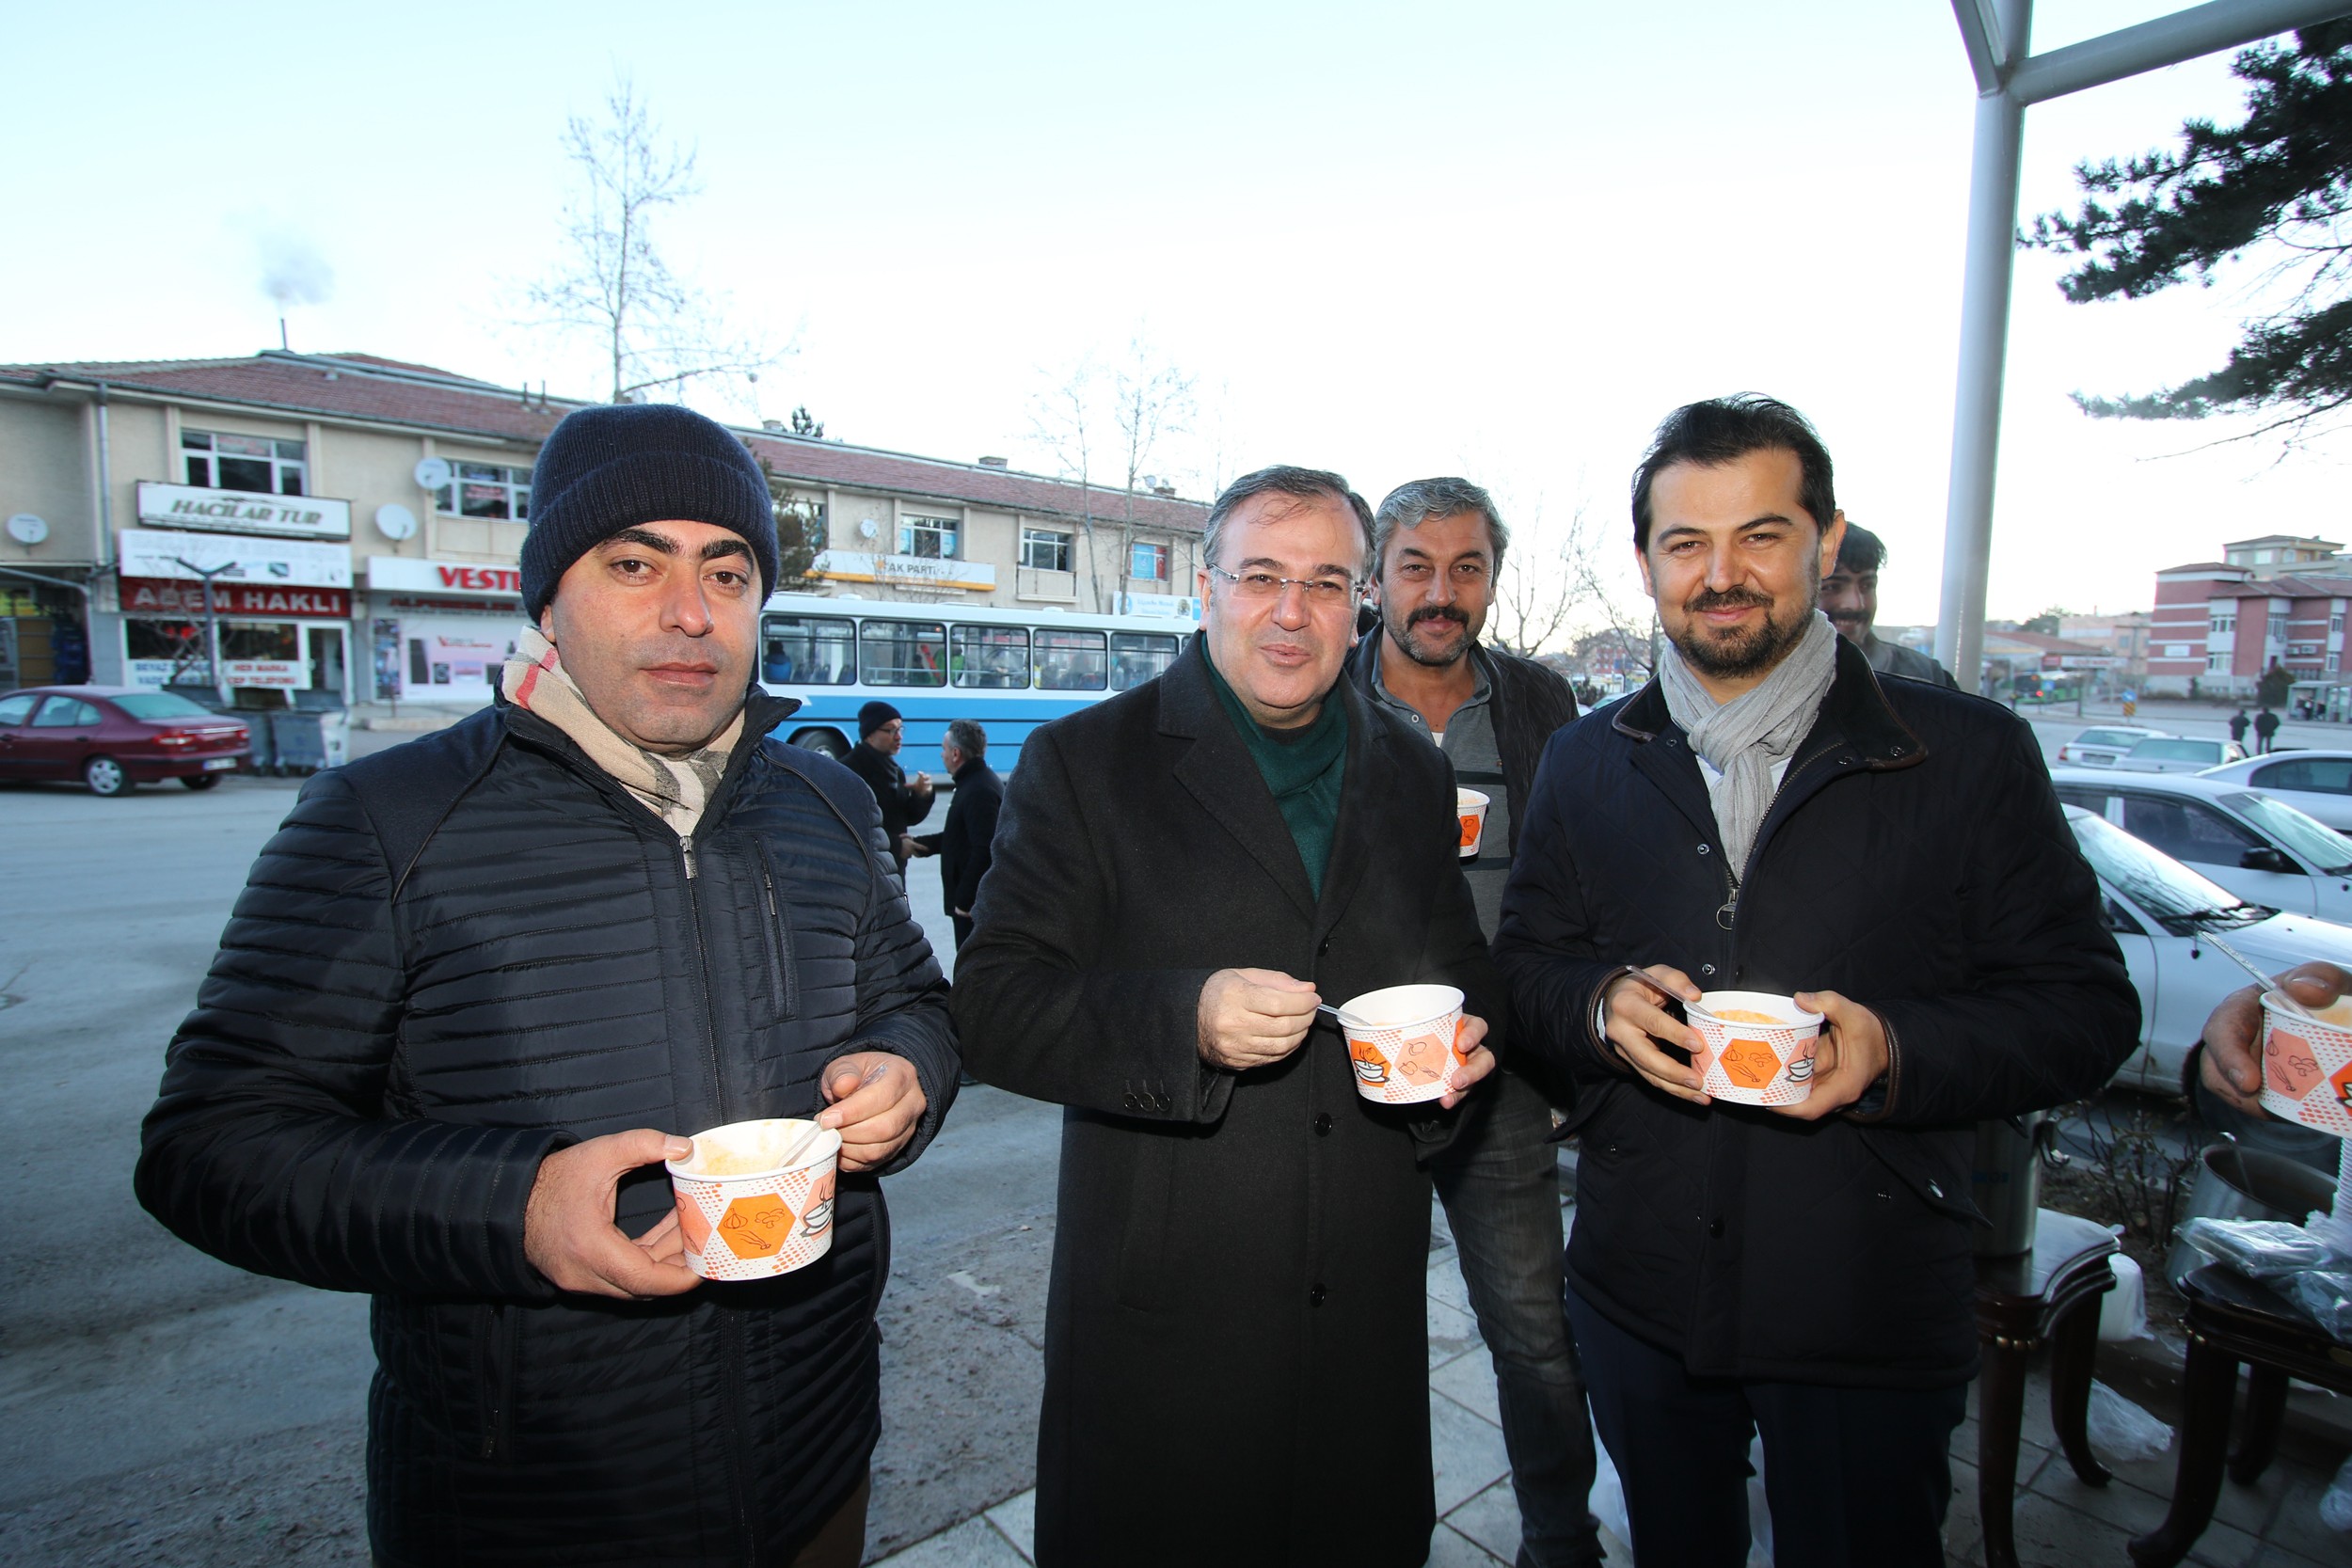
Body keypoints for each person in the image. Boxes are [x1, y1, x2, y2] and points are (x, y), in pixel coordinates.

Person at [134, 403, 961, 1568]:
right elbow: (209, 1146)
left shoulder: (829, 803)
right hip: (528, 1506)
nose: (690, 612)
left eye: (728, 571)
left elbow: (921, 1004)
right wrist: (510, 1208)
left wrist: (908, 1073)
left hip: (815, 1464)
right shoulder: (387, 819)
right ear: (547, 597)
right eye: (635, 564)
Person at [1493, 394, 2138, 1568]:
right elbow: (1524, 971)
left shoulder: (1967, 753)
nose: (1721, 573)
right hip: (1641, 1290)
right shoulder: (1587, 757)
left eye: (1761, 534)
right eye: (1685, 542)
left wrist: (1892, 1047)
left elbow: (2085, 1010)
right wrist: (1592, 1008)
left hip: (1867, 1301)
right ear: (1645, 565)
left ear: (1826, 543)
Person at [953, 464, 1502, 1568]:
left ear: (1363, 605)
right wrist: (1184, 1022)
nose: (1292, 611)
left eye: (1327, 581)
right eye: (1261, 575)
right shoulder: (1086, 760)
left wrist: (1462, 1053)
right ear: (1205, 587)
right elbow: (993, 1003)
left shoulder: (1406, 766)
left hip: (1362, 1296)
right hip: (1170, 1312)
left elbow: (1458, 967)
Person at [1345, 476, 1597, 1568]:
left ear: (1492, 577)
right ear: (1377, 578)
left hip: (1504, 1079)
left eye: (1465, 568)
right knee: (1355, 1337)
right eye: (1416, 567)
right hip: (1354, 1076)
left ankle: (1559, 1537)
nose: (1440, 594)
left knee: (1536, 1336)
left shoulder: (1542, 705)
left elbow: (1588, 882)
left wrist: (1568, 1061)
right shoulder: (1322, 694)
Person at [1816, 520, 1959, 689]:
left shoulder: (1926, 677)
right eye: (1832, 587)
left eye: (1866, 585)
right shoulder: (1779, 681)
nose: (1856, 604)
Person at [912, 717, 1003, 949]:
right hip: (971, 905)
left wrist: (965, 900)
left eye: (943, 749)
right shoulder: (973, 782)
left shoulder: (978, 790)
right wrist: (921, 845)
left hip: (971, 909)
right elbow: (960, 837)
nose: (941, 755)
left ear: (955, 754)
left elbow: (985, 849)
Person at [846, 700, 935, 868]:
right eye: (890, 730)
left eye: (900, 728)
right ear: (870, 734)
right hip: (868, 870)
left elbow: (906, 818)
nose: (899, 736)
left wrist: (922, 795)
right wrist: (896, 845)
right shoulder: (850, 771)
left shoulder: (894, 769)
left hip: (894, 867)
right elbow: (853, 827)